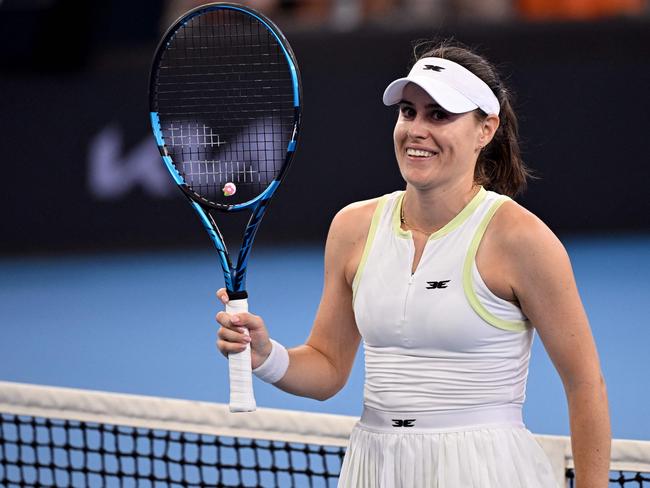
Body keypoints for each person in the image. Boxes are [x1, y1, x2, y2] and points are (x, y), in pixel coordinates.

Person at [216, 40, 611, 487]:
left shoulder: (523, 240)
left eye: (439, 114)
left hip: (485, 471)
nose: (416, 129)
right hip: (375, 467)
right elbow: (327, 367)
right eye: (408, 112)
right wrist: (266, 355)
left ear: (486, 129)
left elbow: (585, 384)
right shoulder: (352, 228)